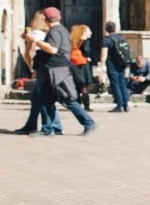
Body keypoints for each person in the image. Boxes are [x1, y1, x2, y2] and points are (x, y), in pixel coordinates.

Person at [28, 7, 95, 136]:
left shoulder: (54, 31)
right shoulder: (62, 30)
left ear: (46, 19)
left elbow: (52, 49)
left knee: (67, 99)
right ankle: (48, 129)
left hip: (57, 70)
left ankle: (88, 122)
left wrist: (36, 40)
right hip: (55, 69)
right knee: (46, 99)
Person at [14, 12, 60, 134]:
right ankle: (31, 124)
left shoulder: (34, 34)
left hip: (40, 67)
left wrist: (31, 69)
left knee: (44, 98)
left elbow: (28, 53)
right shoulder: (48, 34)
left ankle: (54, 126)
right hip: (49, 66)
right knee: (36, 98)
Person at [99, 21, 131, 112]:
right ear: (115, 28)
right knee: (123, 84)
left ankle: (119, 105)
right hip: (122, 63)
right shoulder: (121, 37)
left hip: (112, 65)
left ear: (106, 29)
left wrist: (102, 65)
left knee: (115, 84)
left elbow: (104, 53)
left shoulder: (106, 40)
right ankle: (126, 105)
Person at [68, 25, 94, 112]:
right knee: (84, 86)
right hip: (82, 64)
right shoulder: (85, 41)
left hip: (74, 64)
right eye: (89, 31)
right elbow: (87, 51)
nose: (90, 33)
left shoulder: (73, 40)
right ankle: (86, 105)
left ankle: (78, 103)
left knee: (76, 85)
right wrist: (88, 57)